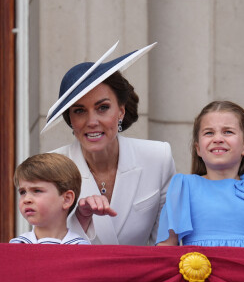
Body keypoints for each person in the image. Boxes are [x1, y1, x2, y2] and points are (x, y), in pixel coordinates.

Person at [42, 42, 176, 245]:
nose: (92, 121)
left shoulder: (158, 157)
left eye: (102, 108)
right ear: (70, 119)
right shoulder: (50, 169)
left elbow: (165, 243)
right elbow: (45, 244)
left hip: (141, 275)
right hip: (79, 275)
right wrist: (81, 218)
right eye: (79, 111)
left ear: (121, 111)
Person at [156, 100, 244, 248]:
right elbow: (166, 247)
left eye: (228, 132)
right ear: (198, 148)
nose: (217, 139)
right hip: (197, 270)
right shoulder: (183, 187)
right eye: (209, 133)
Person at [10, 153, 90, 245]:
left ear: (67, 199)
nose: (26, 199)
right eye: (22, 192)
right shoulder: (15, 246)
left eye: (37, 191)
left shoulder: (81, 248)